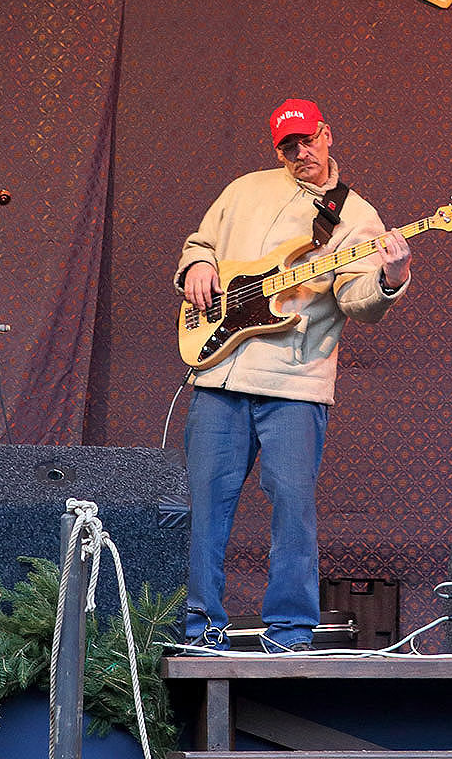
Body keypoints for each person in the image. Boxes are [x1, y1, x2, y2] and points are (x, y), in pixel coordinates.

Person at [175, 99, 412, 652]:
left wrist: (391, 277)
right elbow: (200, 243)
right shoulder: (244, 190)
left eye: (307, 141)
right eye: (288, 146)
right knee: (204, 508)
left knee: (293, 510)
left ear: (327, 136)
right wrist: (200, 265)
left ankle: (290, 634)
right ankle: (200, 630)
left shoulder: (357, 217)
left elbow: (357, 302)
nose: (299, 153)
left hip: (294, 383)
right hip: (217, 374)